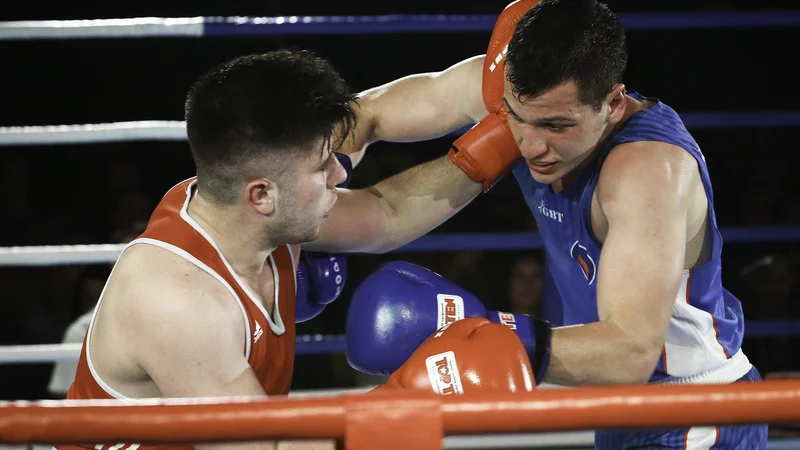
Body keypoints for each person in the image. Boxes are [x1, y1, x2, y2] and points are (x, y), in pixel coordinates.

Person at [341, 0, 768, 447]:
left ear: (614, 104)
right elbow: (363, 114)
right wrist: (310, 193)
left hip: (695, 412)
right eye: (516, 118)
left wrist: (488, 331)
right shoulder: (512, 94)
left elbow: (630, 352)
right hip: (621, 409)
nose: (530, 146)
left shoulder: (646, 172)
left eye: (556, 126)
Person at [60, 44, 518, 450]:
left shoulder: (254, 209)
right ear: (261, 195)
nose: (340, 176)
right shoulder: (176, 302)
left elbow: (384, 192)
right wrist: (407, 402)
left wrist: (513, 122)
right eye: (323, 168)